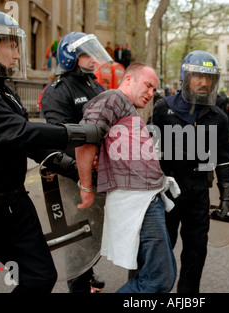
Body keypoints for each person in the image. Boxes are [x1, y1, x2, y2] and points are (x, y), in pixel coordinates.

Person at [0, 10, 103, 293]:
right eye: (11, 45)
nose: (17, 55)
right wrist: (82, 133)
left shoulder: (5, 91)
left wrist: (74, 169)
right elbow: (20, 131)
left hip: (14, 205)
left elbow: (29, 142)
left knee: (40, 276)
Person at [75, 63, 179, 293]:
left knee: (163, 273)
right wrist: (86, 186)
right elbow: (85, 138)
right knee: (159, 278)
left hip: (147, 198)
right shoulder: (112, 98)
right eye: (148, 85)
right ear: (129, 79)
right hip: (137, 201)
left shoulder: (126, 107)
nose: (151, 93)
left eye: (155, 89)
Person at [152, 50, 229, 293]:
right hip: (166, 194)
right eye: (198, 75)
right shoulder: (162, 109)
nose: (204, 82)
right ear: (186, 77)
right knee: (159, 252)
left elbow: (224, 160)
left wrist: (227, 198)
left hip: (199, 195)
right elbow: (148, 153)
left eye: (209, 78)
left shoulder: (218, 117)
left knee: (196, 252)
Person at [41, 32, 112, 293]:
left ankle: (89, 272)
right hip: (73, 175)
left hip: (98, 171)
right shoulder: (58, 91)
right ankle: (80, 285)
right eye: (86, 54)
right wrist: (83, 165)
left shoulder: (96, 86)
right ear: (71, 57)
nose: (93, 59)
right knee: (78, 236)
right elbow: (58, 137)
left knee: (94, 227)